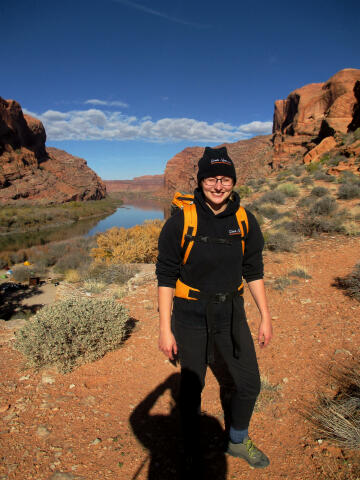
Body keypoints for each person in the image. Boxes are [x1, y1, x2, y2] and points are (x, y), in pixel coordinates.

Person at [155, 146, 273, 470]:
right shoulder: (181, 222)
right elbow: (165, 276)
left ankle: (236, 439)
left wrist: (266, 316)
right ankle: (191, 446)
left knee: (248, 384)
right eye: (211, 179)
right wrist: (165, 329)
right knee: (193, 388)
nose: (218, 186)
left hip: (231, 312)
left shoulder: (245, 221)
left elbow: (253, 270)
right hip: (190, 314)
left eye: (224, 179)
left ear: (233, 181)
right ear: (200, 180)